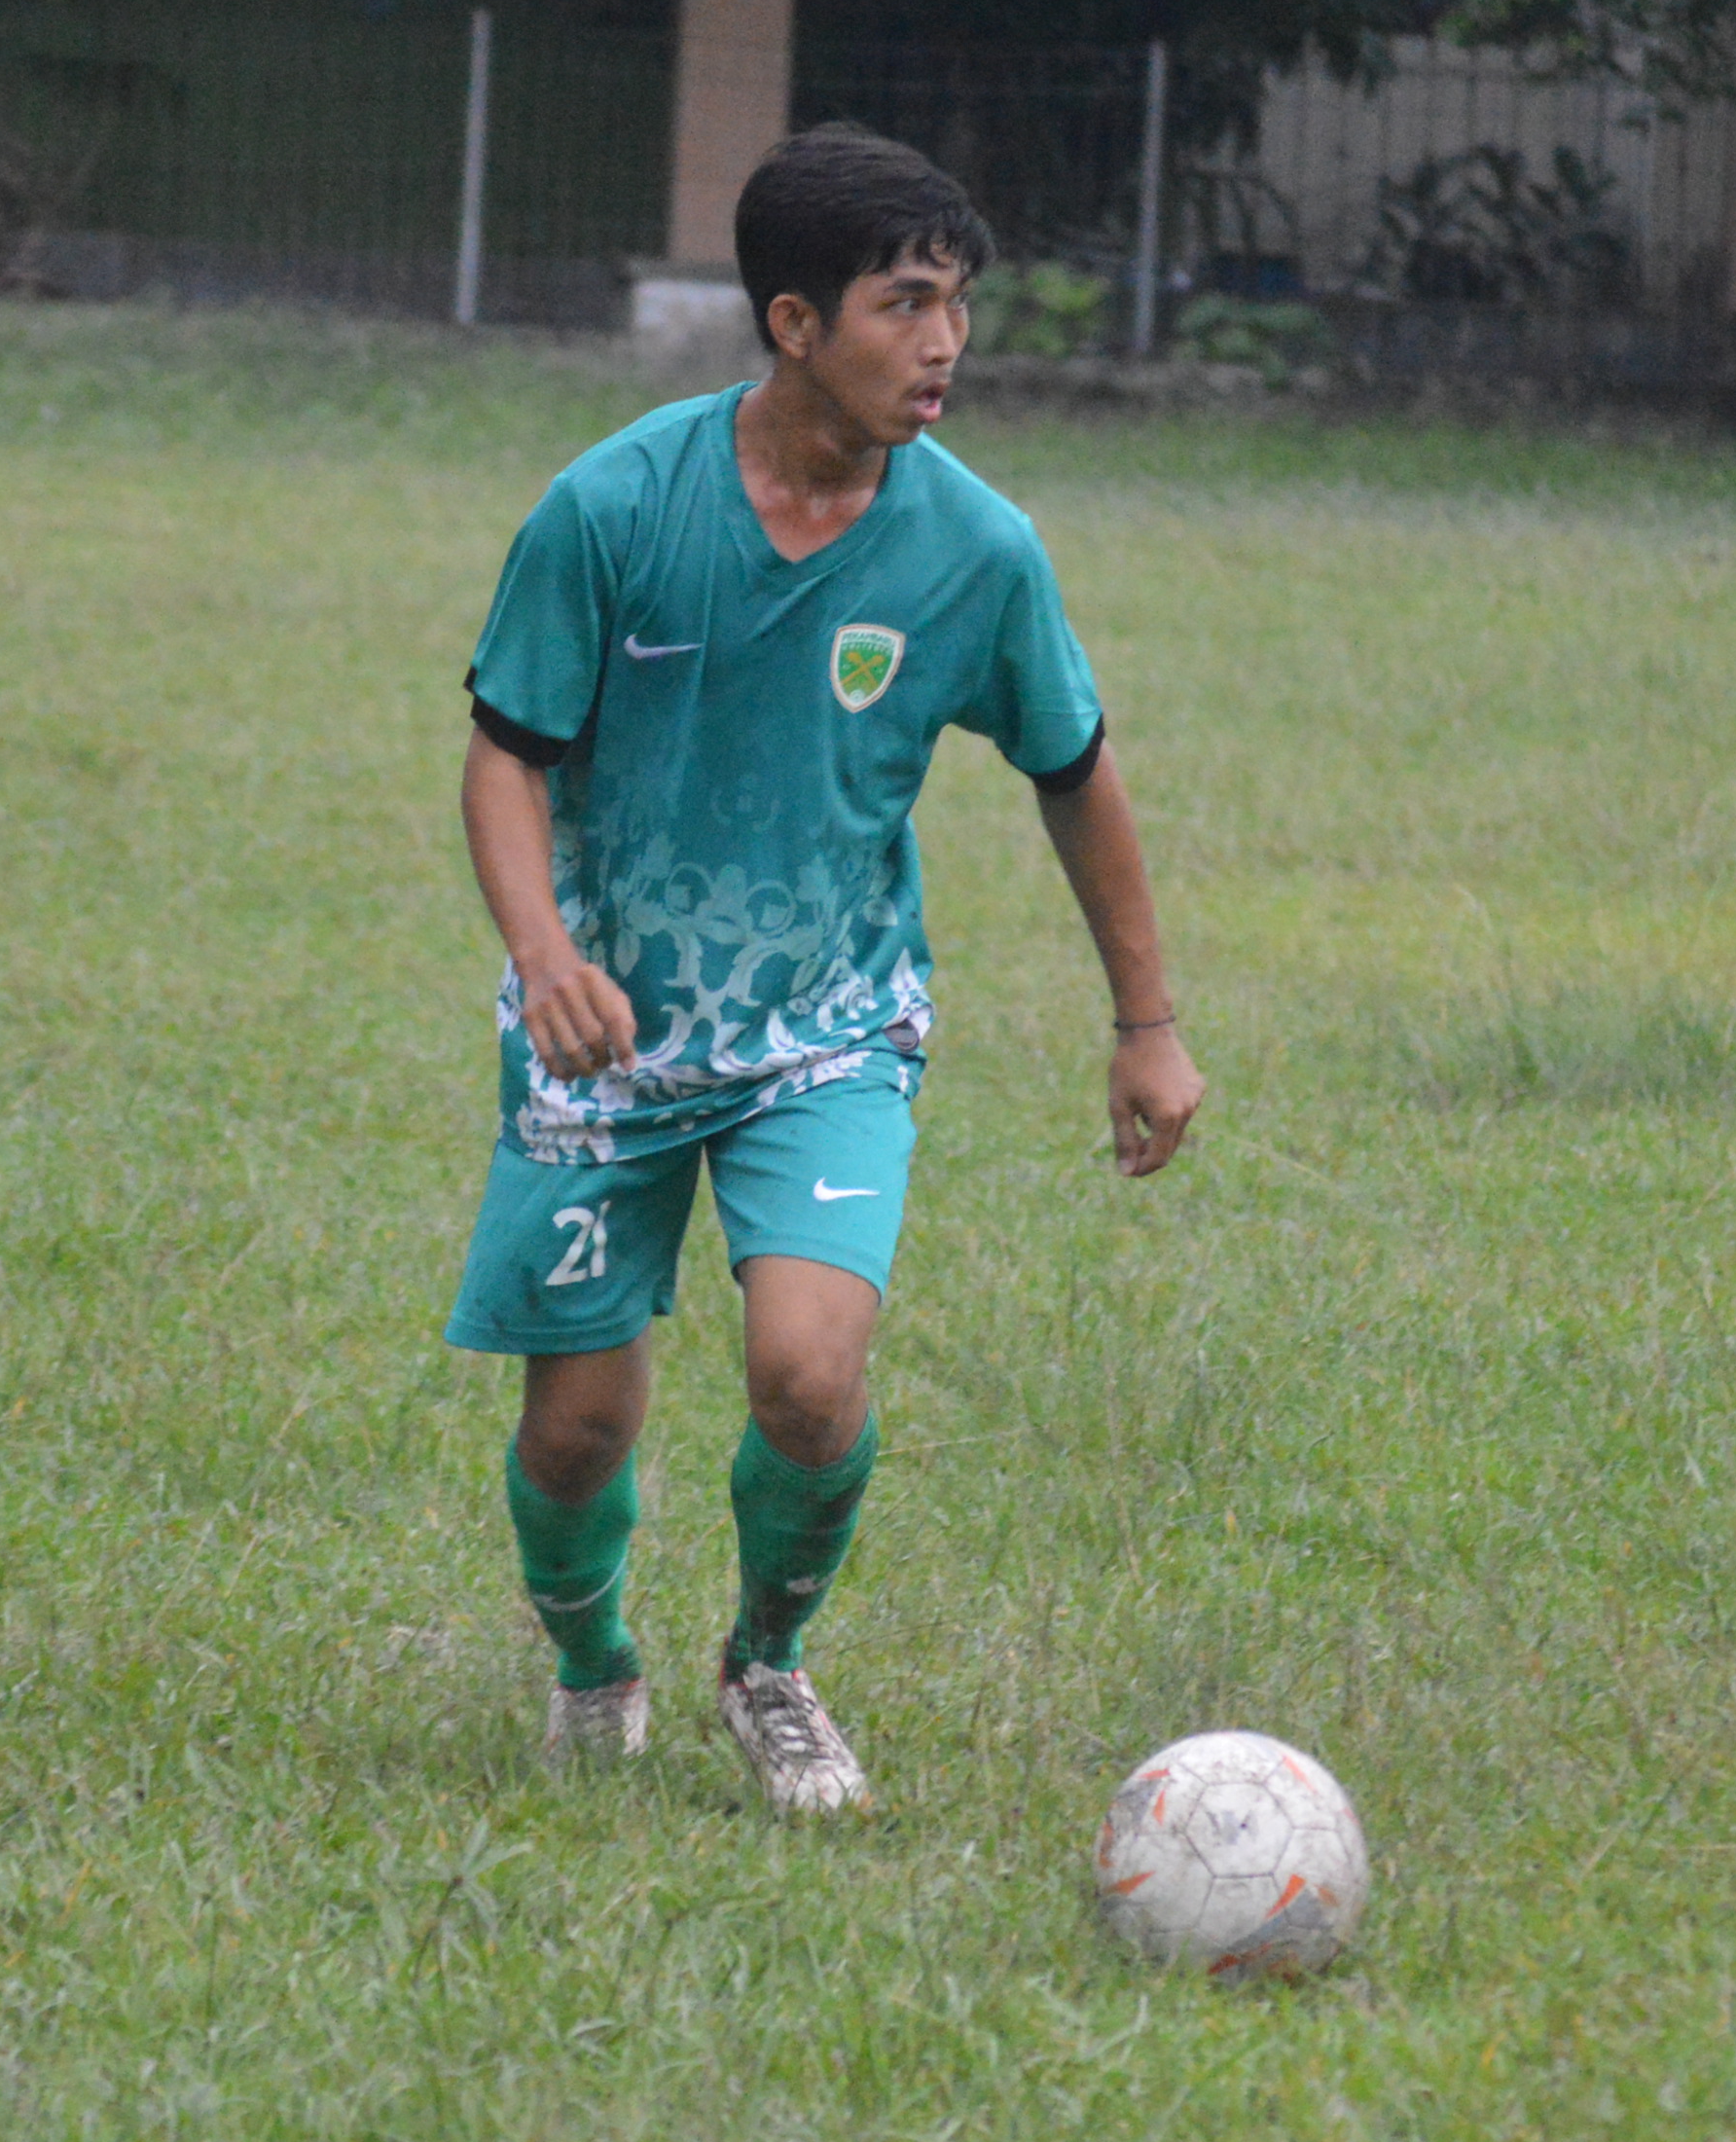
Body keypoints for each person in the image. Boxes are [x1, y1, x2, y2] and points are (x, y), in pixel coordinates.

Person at [444, 124, 1206, 1815]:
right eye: (903, 304)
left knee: (807, 1373)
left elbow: (1075, 772)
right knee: (576, 1428)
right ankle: (594, 1667)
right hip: (604, 1037)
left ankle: (769, 1666)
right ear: (794, 323)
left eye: (957, 304)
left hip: (830, 1027)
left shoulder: (978, 550)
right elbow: (506, 753)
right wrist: (544, 955)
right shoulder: (613, 507)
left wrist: (1146, 1024)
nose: (945, 343)